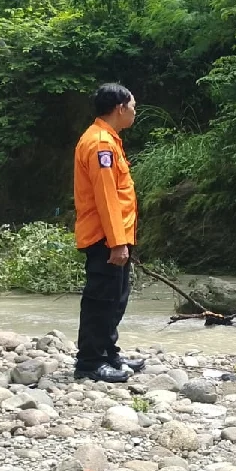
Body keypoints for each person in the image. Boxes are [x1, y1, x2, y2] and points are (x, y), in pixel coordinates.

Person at [72, 83, 142, 383]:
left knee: (116, 297)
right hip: (105, 237)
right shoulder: (101, 143)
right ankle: (90, 361)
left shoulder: (108, 139)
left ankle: (108, 352)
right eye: (133, 106)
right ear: (120, 108)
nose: (135, 111)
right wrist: (117, 243)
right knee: (101, 299)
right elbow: (106, 197)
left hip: (113, 235)